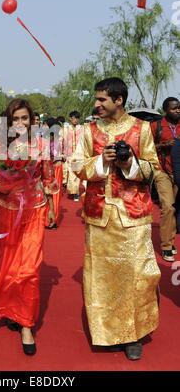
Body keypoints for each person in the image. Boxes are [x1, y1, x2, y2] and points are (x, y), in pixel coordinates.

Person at [72, 77, 161, 361]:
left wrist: (128, 163)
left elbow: (153, 170)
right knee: (102, 277)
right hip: (99, 215)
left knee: (138, 276)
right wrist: (102, 161)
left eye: (102, 100)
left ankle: (133, 334)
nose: (96, 105)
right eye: (97, 100)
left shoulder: (142, 128)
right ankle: (108, 333)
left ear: (118, 100)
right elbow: (77, 166)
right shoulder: (88, 131)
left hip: (134, 214)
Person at [0, 99, 58, 355]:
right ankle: (10, 308)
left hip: (35, 211)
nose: (19, 123)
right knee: (10, 266)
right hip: (7, 213)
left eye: (24, 118)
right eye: (15, 119)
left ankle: (26, 323)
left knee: (29, 268)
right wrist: (7, 186)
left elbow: (48, 176)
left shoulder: (40, 144)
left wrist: (51, 207)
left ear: (32, 120)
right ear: (8, 120)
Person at [150, 97, 180, 261]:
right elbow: (146, 147)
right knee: (167, 206)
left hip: (178, 171)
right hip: (162, 170)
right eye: (174, 108)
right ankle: (166, 245)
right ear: (166, 110)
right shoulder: (156, 126)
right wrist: (163, 145)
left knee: (175, 207)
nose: (177, 111)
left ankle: (170, 238)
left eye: (179, 108)